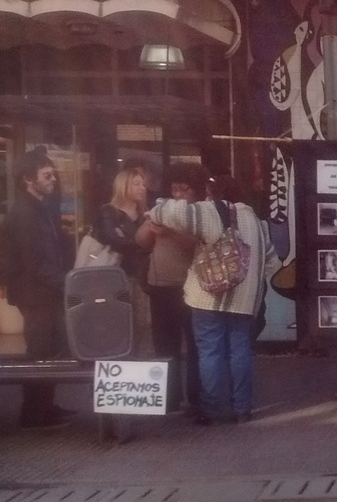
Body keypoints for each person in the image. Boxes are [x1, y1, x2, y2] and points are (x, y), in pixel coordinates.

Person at [149, 176, 281, 425]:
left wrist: (156, 208)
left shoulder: (213, 211)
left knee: (210, 352)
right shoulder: (258, 222)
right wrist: (244, 278)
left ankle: (211, 410)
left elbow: (173, 213)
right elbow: (273, 263)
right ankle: (242, 410)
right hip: (245, 301)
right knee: (240, 351)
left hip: (208, 297)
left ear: (214, 192)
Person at [0, 148, 76, 429]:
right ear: (28, 179)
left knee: (49, 349)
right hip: (36, 294)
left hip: (42, 291)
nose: (53, 179)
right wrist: (65, 285)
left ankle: (45, 406)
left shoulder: (38, 207)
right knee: (40, 351)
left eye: (52, 173)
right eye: (47, 175)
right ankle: (33, 413)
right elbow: (37, 261)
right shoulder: (25, 213)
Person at [137, 163, 209, 412]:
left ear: (196, 190)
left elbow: (198, 245)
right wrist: (151, 229)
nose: (178, 194)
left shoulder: (200, 212)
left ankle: (196, 397)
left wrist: (170, 234)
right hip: (160, 287)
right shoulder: (162, 208)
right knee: (165, 345)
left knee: (195, 344)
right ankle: (169, 396)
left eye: (184, 189)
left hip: (190, 287)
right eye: (174, 189)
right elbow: (140, 241)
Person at [96, 167, 153, 332]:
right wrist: (142, 243)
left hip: (142, 276)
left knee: (142, 324)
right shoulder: (109, 211)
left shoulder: (145, 214)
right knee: (119, 322)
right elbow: (115, 241)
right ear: (124, 185)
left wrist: (130, 240)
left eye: (143, 184)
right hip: (117, 274)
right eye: (136, 184)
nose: (142, 188)